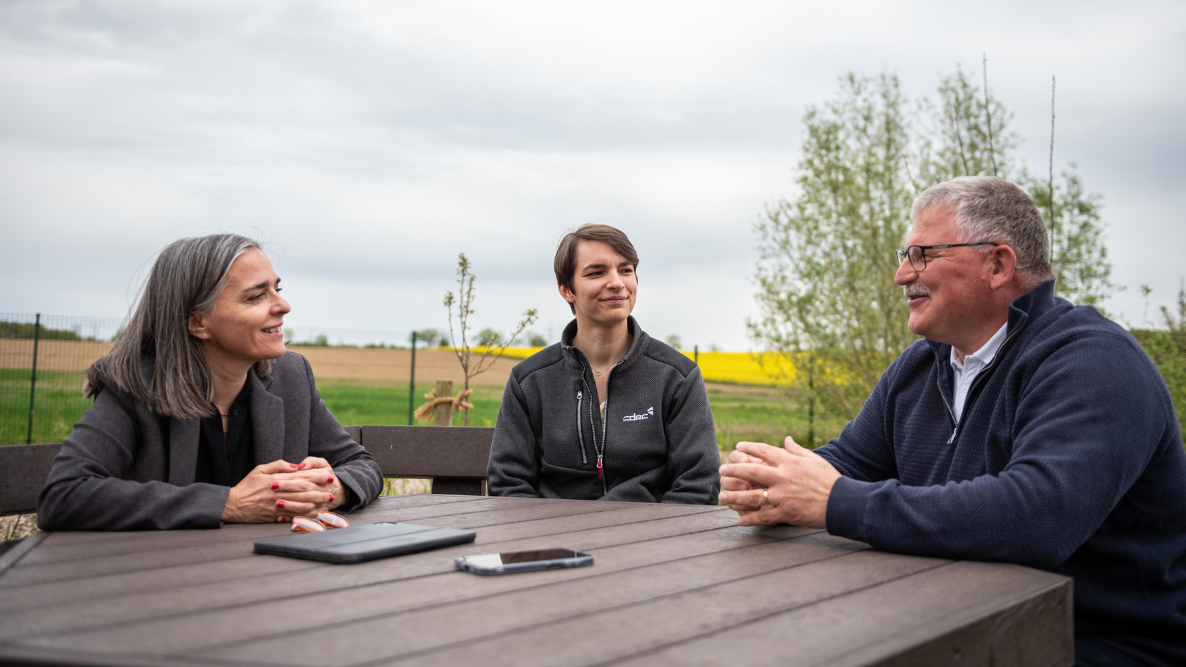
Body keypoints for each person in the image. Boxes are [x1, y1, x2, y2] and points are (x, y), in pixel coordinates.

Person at [719, 177, 1186, 665]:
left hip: (1091, 644)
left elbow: (1036, 517)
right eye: (905, 256)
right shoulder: (923, 365)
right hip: (958, 624)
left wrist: (834, 501)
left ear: (998, 264)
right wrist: (772, 476)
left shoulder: (1095, 362)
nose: (902, 275)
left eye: (922, 255)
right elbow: (852, 461)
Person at [38, 234, 384, 531]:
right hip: (160, 583)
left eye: (276, 289)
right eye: (255, 296)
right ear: (198, 322)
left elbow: (362, 465)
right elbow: (64, 495)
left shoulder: (290, 376)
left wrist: (328, 487)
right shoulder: (133, 386)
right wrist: (230, 503)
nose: (283, 305)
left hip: (271, 581)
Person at [487, 224, 720, 503]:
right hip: (556, 540)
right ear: (566, 290)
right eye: (596, 272)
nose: (617, 283)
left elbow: (699, 485)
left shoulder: (678, 377)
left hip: (650, 540)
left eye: (625, 270)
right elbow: (509, 485)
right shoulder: (529, 382)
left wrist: (655, 541)